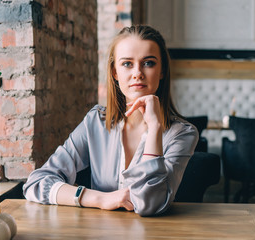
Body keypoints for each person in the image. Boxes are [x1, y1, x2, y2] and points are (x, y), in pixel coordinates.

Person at [23, 25, 198, 216]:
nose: (137, 73)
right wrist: (100, 199)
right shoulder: (95, 122)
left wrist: (155, 128)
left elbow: (149, 205)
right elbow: (37, 182)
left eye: (148, 63)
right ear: (115, 72)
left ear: (162, 70)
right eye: (127, 64)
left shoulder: (183, 133)